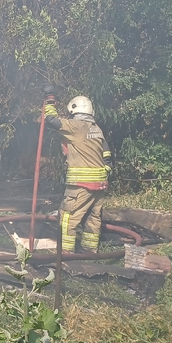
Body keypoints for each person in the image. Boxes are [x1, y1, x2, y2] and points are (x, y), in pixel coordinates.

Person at [43, 89, 112, 253]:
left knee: (68, 216)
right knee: (93, 217)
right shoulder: (96, 129)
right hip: (100, 184)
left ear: (73, 110)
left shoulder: (76, 126)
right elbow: (107, 154)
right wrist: (105, 171)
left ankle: (64, 253)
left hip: (81, 184)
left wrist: (50, 100)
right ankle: (89, 250)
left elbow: (52, 120)